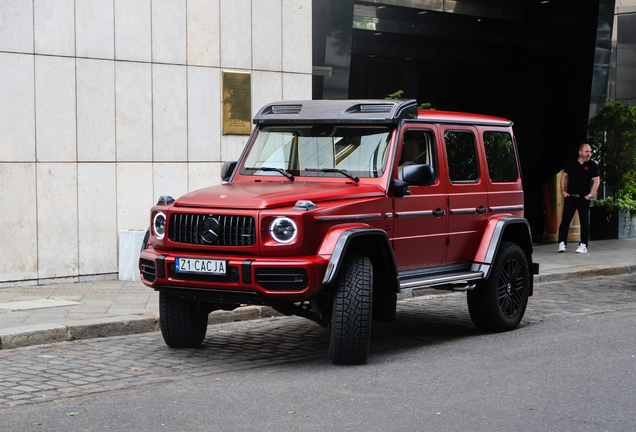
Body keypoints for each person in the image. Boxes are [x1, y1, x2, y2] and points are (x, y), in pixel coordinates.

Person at [558, 143, 600, 253]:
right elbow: (564, 176)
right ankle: (562, 242)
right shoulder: (571, 162)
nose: (589, 154)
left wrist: (590, 195)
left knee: (584, 222)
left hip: (584, 198)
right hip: (570, 197)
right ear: (580, 152)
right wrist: (563, 191)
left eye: (590, 152)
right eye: (586, 151)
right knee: (565, 220)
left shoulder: (592, 165)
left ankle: (583, 244)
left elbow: (597, 181)